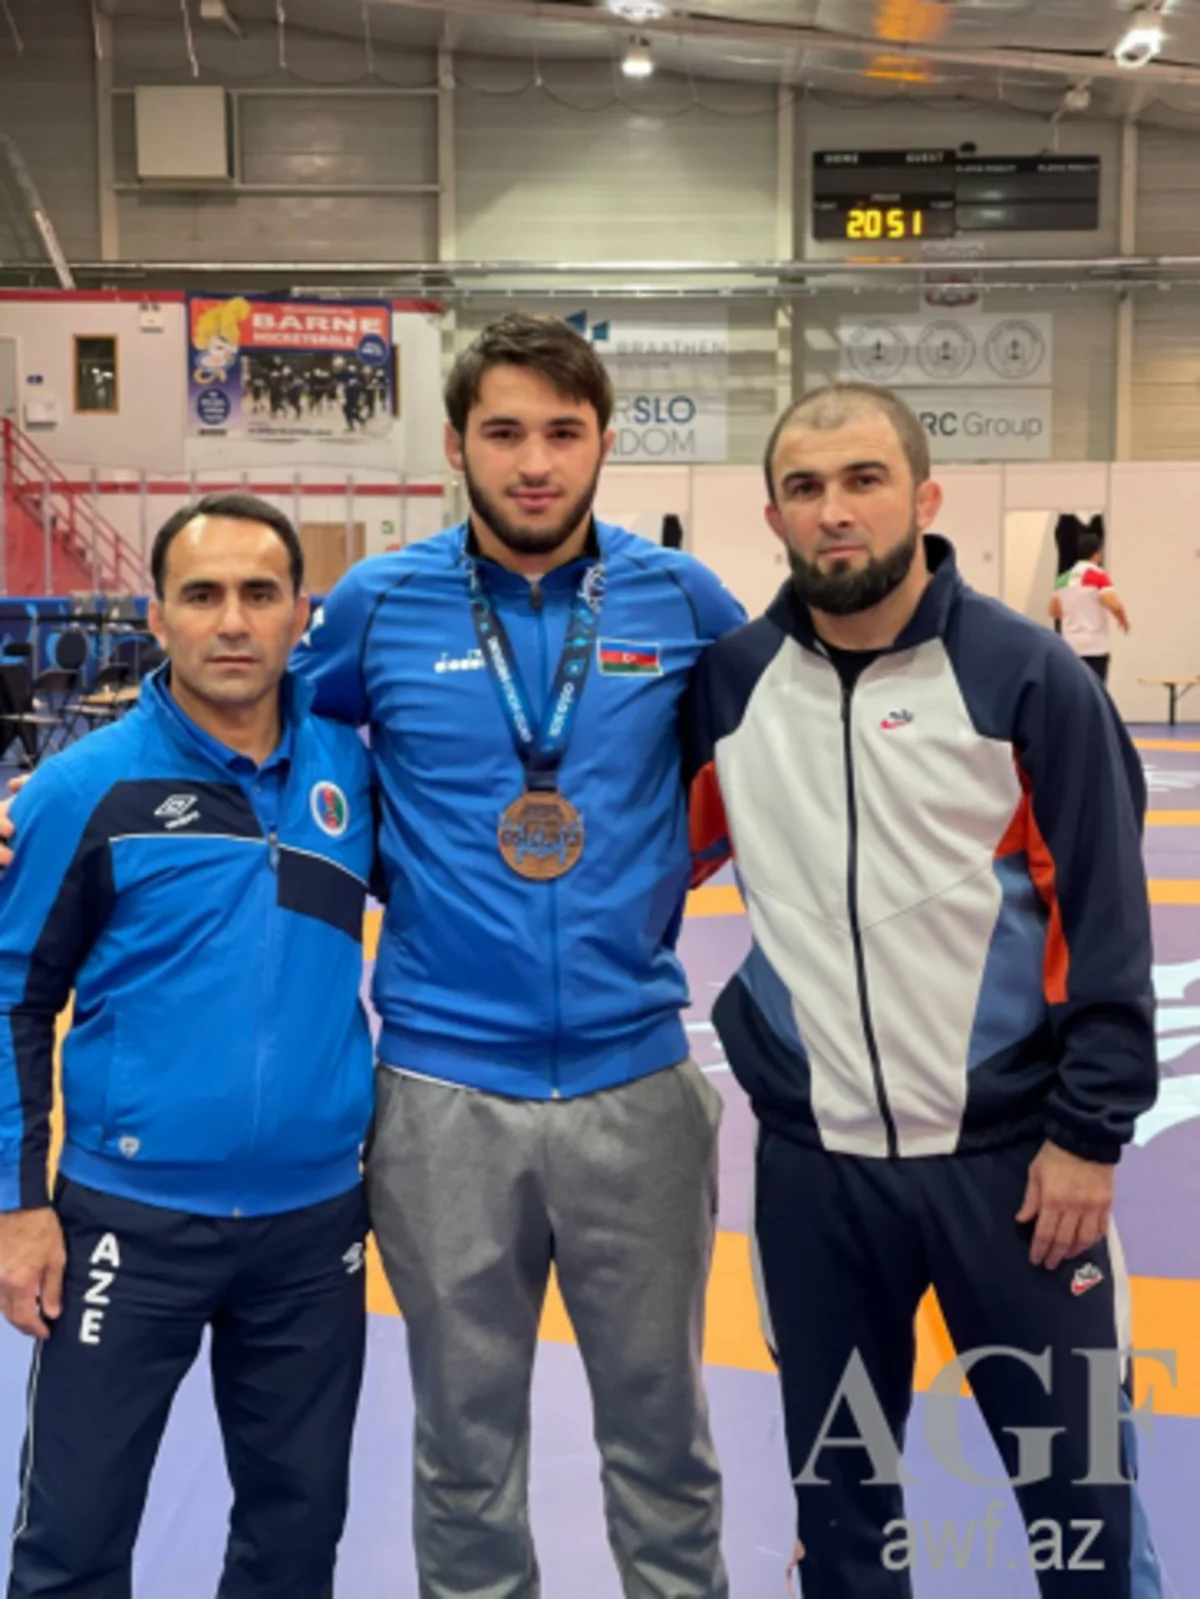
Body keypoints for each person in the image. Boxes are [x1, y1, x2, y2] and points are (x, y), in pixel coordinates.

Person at [685, 382, 1163, 1598]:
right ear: (775, 517)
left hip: (1017, 1176)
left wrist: (1088, 1136)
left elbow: (1107, 923)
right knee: (843, 1526)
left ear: (924, 497)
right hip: (817, 1176)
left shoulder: (1029, 678)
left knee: (1085, 1517)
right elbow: (640, 868)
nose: (835, 511)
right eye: (805, 489)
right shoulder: (732, 686)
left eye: (864, 480)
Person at [292, 312, 743, 1598]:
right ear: (455, 445)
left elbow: (784, 754)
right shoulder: (379, 604)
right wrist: (55, 808)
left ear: (604, 442)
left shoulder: (682, 599)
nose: (534, 463)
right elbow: (256, 741)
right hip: (442, 1093)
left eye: (562, 432)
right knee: (463, 1451)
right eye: (503, 433)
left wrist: (659, 869)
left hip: (636, 1083)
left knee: (665, 1441)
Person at [0, 493, 376, 1599]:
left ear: (300, 614)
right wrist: (17, 1205)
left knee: (296, 1540)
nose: (233, 621)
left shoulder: (355, 775)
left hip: (314, 1230)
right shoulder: (81, 789)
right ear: (157, 616)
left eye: (260, 594)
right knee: (72, 1543)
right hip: (129, 1224)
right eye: (202, 595)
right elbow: (13, 994)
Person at [1049, 529, 1130, 685]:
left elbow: (1054, 612)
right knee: (1095, 690)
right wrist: (1123, 620)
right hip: (1095, 645)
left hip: (1070, 645)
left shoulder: (1063, 579)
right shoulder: (1099, 576)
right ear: (1097, 554)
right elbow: (1114, 604)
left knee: (1073, 689)